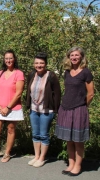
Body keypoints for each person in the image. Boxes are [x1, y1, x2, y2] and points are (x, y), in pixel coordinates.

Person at [55, 47, 94, 176]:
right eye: (72, 55)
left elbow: (91, 94)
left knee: (78, 140)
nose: (74, 57)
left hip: (79, 109)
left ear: (82, 57)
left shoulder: (86, 72)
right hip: (65, 108)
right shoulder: (67, 72)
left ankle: (78, 165)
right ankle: (71, 164)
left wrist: (82, 106)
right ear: (69, 57)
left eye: (77, 55)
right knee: (69, 139)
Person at [0, 49, 24, 162]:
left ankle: (7, 153)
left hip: (13, 108)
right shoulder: (0, 73)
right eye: (6, 58)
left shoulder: (19, 73)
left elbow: (18, 93)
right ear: (4, 60)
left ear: (14, 59)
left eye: (10, 58)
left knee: (11, 130)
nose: (8, 60)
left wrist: (8, 107)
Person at [25, 52, 61, 167]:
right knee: (35, 134)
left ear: (45, 64)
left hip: (47, 110)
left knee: (44, 135)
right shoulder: (32, 74)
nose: (38, 65)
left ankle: (42, 158)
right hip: (34, 109)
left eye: (41, 63)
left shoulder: (51, 76)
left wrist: (56, 109)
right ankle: (36, 156)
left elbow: (57, 93)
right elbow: (28, 91)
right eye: (36, 63)